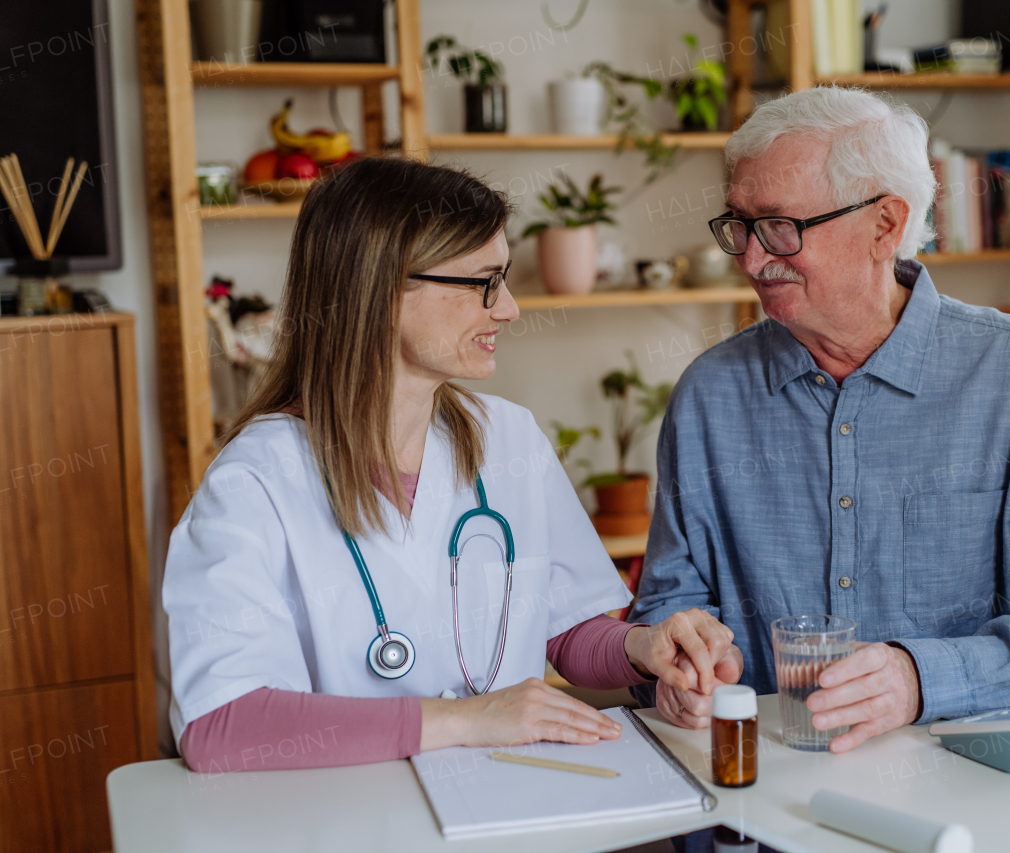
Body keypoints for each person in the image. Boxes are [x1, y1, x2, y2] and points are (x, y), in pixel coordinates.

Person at [628, 86, 1010, 752]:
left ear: (885, 226)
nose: (749, 258)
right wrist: (678, 664)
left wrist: (924, 677)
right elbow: (667, 608)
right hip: (764, 781)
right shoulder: (708, 396)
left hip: (969, 780)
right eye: (739, 225)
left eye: (779, 226)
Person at [163, 157, 733, 773]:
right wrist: (467, 719)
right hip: (354, 821)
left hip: (501, 805)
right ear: (381, 288)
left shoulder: (508, 439)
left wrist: (644, 648)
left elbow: (564, 632)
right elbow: (220, 726)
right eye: (484, 282)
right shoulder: (255, 481)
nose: (509, 307)